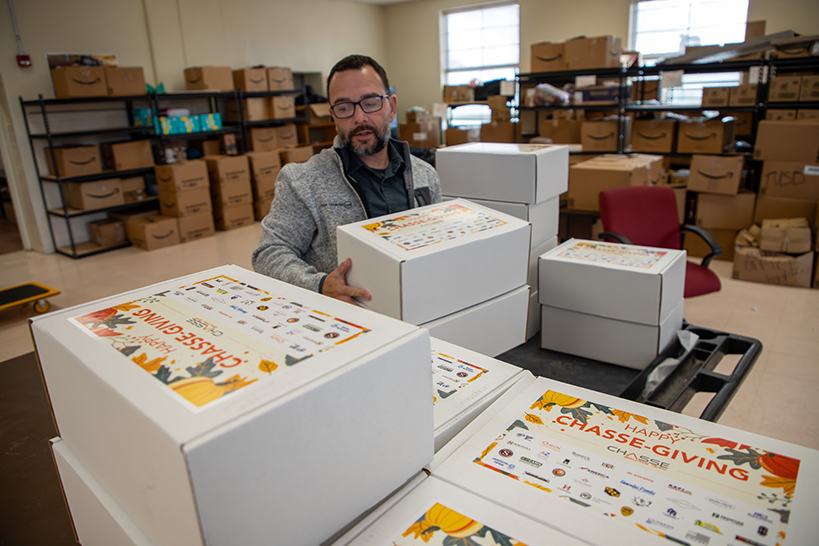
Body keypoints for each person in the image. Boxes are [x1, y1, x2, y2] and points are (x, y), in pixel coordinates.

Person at [252, 54, 441, 304]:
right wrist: (318, 285)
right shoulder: (301, 181)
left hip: (420, 306)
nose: (359, 117)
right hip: (347, 322)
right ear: (333, 116)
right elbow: (268, 253)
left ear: (392, 107)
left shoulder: (425, 175)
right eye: (344, 108)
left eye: (370, 102)